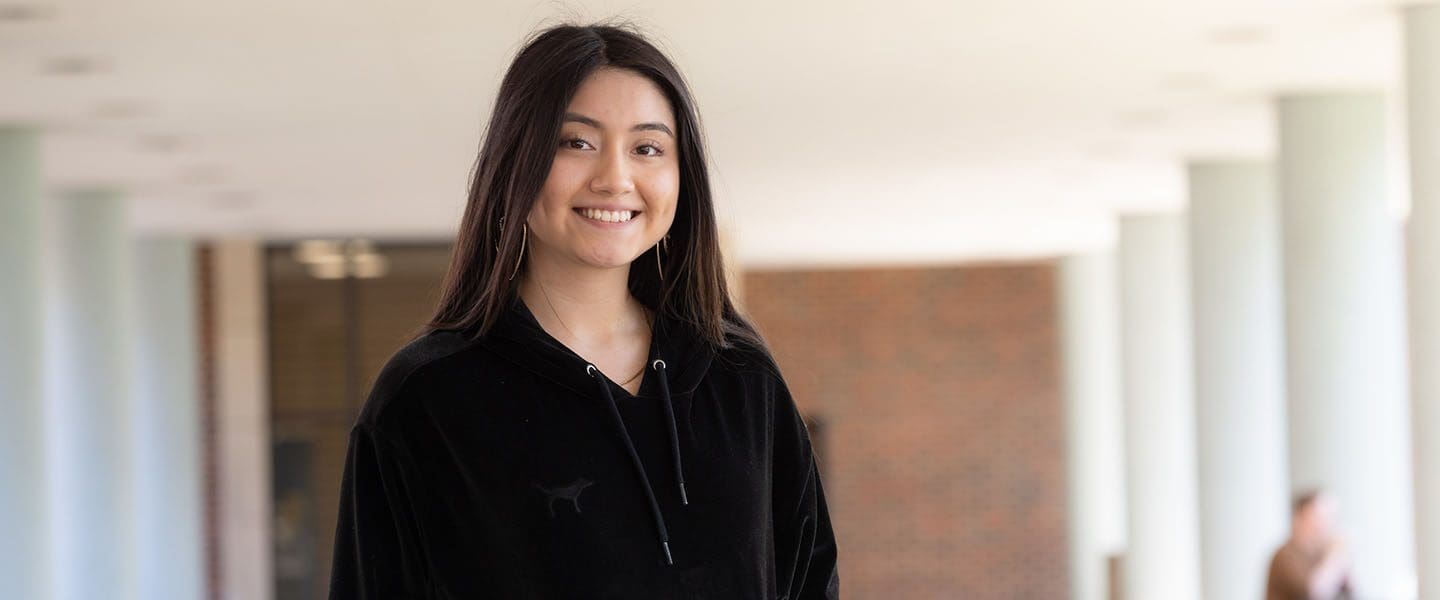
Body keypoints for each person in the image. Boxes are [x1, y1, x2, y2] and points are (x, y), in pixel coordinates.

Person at [327, 21, 840, 599]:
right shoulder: (427, 398)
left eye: (647, 148)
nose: (615, 179)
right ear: (516, 160)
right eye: (577, 142)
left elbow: (809, 578)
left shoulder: (739, 376)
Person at [1265, 489, 1352, 600]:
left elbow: (1349, 593)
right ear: (1301, 517)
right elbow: (1315, 593)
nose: (1329, 524)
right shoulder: (1285, 556)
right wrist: (1335, 555)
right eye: (1322, 516)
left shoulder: (1320, 554)